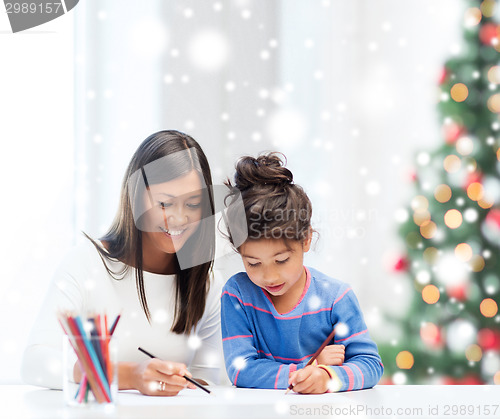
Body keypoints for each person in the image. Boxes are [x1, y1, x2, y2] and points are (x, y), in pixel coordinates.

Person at [21, 130, 223, 396]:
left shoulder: (207, 283)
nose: (179, 218)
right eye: (164, 203)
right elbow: (35, 363)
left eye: (193, 203)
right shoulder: (86, 264)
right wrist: (128, 375)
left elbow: (211, 380)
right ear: (135, 197)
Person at [221, 153, 384, 393]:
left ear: (306, 239)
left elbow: (370, 365)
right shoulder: (238, 295)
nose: (270, 276)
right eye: (253, 263)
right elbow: (240, 369)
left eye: (282, 260)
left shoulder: (336, 297)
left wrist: (328, 377)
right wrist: (306, 368)